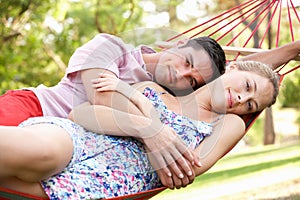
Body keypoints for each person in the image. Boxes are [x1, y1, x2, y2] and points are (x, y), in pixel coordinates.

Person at [0, 60, 279, 199]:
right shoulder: (152, 89)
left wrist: (144, 118)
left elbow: (184, 171)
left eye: (250, 103)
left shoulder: (226, 123)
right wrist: (149, 129)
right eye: (247, 86)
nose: (242, 99)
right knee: (44, 154)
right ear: (230, 67)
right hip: (78, 142)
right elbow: (82, 113)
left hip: (100, 185)